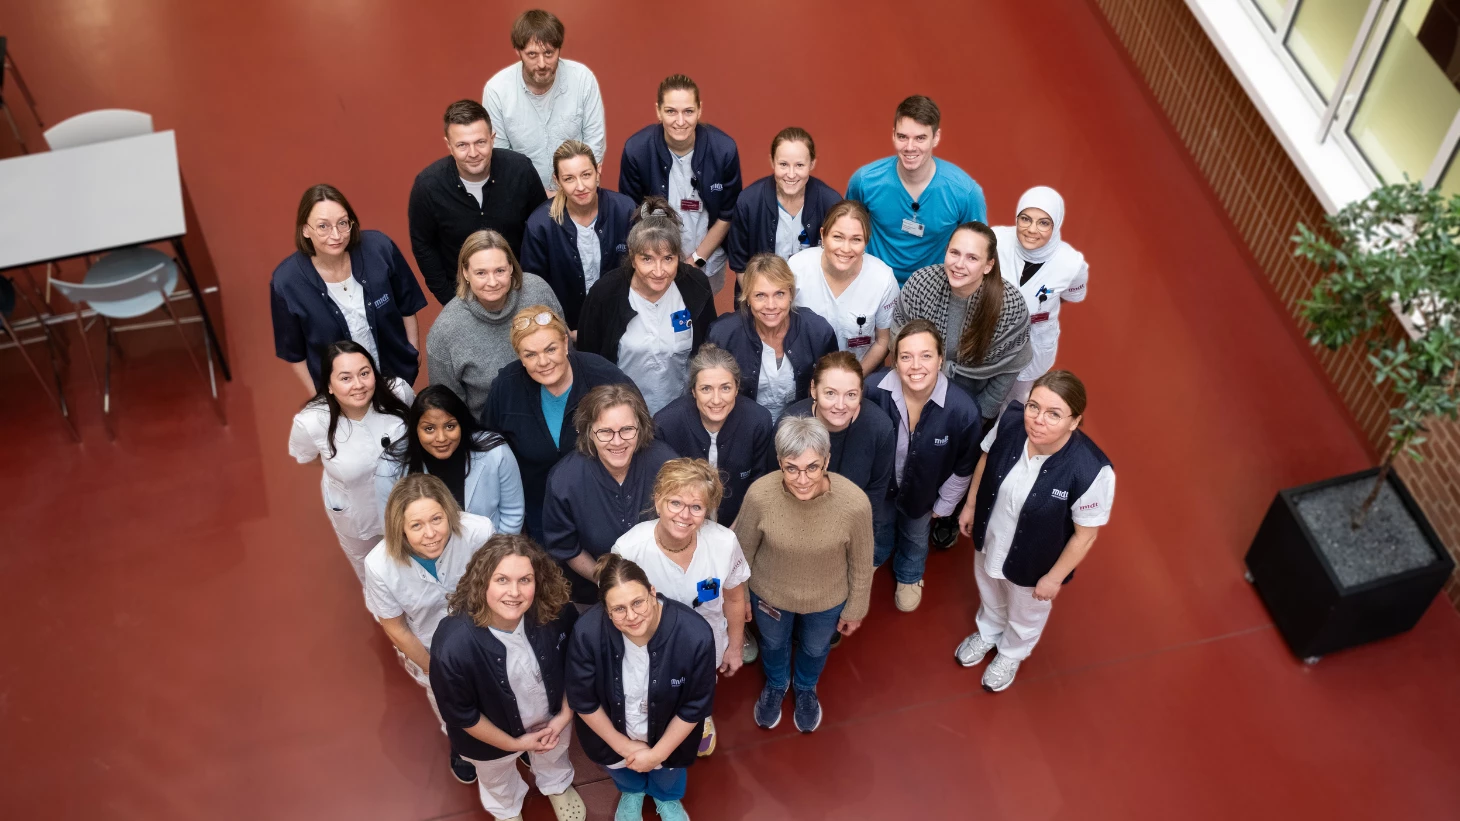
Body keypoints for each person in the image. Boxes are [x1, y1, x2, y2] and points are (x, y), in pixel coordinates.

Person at [955, 371, 1114, 693]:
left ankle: (1012, 652)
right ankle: (988, 630)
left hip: (1036, 561)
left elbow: (1085, 535)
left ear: (1074, 421)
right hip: (992, 535)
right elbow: (986, 459)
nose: (1038, 420)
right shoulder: (1011, 422)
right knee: (989, 586)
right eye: (1034, 407)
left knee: (1025, 611)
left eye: (1054, 414)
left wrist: (1053, 578)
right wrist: (970, 505)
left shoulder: (1091, 470)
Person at [430, 533, 587, 821]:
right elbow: (463, 715)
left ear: (538, 581)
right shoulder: (453, 644)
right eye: (502, 579)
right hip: (490, 738)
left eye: (525, 580)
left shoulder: (557, 613)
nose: (514, 592)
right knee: (496, 776)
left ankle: (557, 784)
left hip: (553, 719)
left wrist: (564, 715)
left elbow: (576, 667)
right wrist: (515, 745)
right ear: (482, 582)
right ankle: (506, 808)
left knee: (555, 754)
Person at [734, 416, 873, 733]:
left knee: (815, 648)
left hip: (827, 600)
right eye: (791, 468)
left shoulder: (854, 504)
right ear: (779, 462)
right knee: (773, 644)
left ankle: (806, 687)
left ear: (827, 460)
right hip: (769, 595)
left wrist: (856, 608)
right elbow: (741, 554)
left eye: (812, 467)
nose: (802, 479)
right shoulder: (759, 495)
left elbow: (862, 562)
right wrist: (740, 596)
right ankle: (777, 683)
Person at [611, 458, 750, 757]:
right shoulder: (629, 549)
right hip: (648, 644)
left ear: (707, 510)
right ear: (658, 501)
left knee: (701, 685)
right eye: (675, 503)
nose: (684, 515)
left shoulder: (724, 543)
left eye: (696, 507)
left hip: (708, 641)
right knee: (655, 691)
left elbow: (734, 598)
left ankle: (700, 715)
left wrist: (735, 646)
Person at [365, 474, 496, 786]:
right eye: (416, 525)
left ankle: (511, 736)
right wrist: (437, 672)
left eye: (437, 519)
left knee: (500, 692)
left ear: (449, 512)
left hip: (488, 634)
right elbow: (396, 628)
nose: (430, 534)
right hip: (429, 650)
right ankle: (462, 747)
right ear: (400, 528)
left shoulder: (479, 531)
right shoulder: (379, 565)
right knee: (452, 707)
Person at [567, 554, 714, 821]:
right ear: (606, 610)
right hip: (613, 736)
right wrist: (624, 747)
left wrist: (658, 754)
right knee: (622, 771)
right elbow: (584, 700)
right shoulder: (587, 633)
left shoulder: (695, 634)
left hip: (669, 739)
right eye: (619, 609)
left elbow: (695, 706)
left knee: (668, 774)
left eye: (638, 602)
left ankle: (666, 798)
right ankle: (632, 792)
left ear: (652, 592)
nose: (632, 616)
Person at [483, 308, 636, 544]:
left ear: (565, 343)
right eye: (530, 355)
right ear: (520, 357)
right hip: (539, 511)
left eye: (550, 349)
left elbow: (640, 435)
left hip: (604, 506)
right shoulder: (506, 388)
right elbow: (489, 451)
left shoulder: (603, 377)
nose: (543, 362)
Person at [863, 320, 981, 613]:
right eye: (906, 356)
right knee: (880, 524)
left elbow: (964, 465)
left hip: (924, 493)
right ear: (894, 361)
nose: (916, 366)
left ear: (941, 359)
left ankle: (910, 573)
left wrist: (946, 503)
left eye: (926, 355)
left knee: (916, 535)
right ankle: (878, 554)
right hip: (881, 487)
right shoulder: (871, 391)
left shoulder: (963, 410)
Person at [271, 184, 426, 394]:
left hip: (394, 381)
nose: (336, 235)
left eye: (343, 223)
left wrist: (413, 353)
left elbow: (407, 305)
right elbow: (295, 354)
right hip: (341, 396)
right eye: (323, 226)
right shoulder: (286, 282)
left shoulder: (380, 249)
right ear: (305, 229)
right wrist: (320, 397)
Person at [289, 341, 413, 587]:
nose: (358, 385)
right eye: (345, 378)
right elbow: (308, 457)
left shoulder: (398, 392)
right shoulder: (311, 422)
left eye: (364, 373)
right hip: (357, 512)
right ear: (329, 385)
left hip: (406, 502)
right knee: (373, 574)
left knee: (415, 562)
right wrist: (344, 468)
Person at [576, 203, 716, 415]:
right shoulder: (605, 294)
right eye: (647, 259)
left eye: (668, 259)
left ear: (678, 257)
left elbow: (708, 350)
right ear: (632, 258)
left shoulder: (695, 286)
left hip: (682, 412)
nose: (658, 271)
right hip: (622, 414)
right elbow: (588, 362)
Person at [543, 385, 677, 603]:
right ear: (589, 432)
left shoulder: (666, 464)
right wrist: (612, 584)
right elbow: (567, 548)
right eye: (605, 432)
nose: (617, 441)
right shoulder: (565, 480)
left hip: (667, 586)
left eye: (627, 429)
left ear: (640, 428)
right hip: (596, 591)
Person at [409, 100, 547, 304]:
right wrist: (451, 300)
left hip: (522, 292)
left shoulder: (521, 170)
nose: (473, 153)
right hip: (463, 299)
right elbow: (423, 247)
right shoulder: (428, 187)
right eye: (462, 145)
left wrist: (534, 287)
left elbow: (542, 230)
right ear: (449, 145)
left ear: (492, 138)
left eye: (480, 142)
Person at [893, 221, 1031, 422]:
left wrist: (980, 416)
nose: (959, 264)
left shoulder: (1010, 305)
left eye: (972, 258)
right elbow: (897, 340)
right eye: (954, 253)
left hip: (974, 403)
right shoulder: (920, 284)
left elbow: (1010, 367)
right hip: (914, 394)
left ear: (988, 265)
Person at [619, 74, 742, 294]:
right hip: (655, 261)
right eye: (671, 111)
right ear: (658, 111)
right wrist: (660, 261)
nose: (680, 121)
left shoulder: (724, 150)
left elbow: (727, 214)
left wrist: (696, 260)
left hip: (706, 257)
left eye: (688, 111)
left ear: (699, 110)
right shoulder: (637, 150)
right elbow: (632, 213)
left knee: (701, 310)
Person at [845, 95, 986, 284]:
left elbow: (979, 248)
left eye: (920, 138)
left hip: (935, 288)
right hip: (873, 283)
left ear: (936, 138)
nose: (910, 147)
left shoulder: (965, 192)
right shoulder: (865, 181)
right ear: (893, 135)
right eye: (902, 137)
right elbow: (847, 230)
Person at [427, 230, 563, 423]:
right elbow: (448, 408)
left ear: (511, 267)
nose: (492, 282)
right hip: (494, 428)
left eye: (499, 271)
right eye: (481, 273)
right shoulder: (445, 331)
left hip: (557, 409)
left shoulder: (538, 291)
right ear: (465, 273)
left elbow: (565, 350)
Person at [781, 351, 896, 575]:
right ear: (813, 389)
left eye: (851, 394)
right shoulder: (789, 424)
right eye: (830, 393)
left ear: (861, 392)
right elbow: (778, 486)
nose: (840, 405)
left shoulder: (880, 428)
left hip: (851, 523)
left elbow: (875, 492)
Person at [482, 9, 607, 193]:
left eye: (549, 53)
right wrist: (539, 197)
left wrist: (571, 192)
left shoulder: (582, 79)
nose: (542, 64)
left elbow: (594, 142)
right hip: (524, 197)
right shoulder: (497, 90)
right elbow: (501, 157)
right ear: (518, 51)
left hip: (578, 194)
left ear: (559, 49)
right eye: (532, 54)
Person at [377, 385, 525, 535]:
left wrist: (496, 550)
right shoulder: (390, 466)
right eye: (429, 429)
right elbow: (393, 529)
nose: (441, 438)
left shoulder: (496, 452)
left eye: (450, 426)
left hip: (490, 547)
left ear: (461, 424)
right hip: (425, 549)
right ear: (415, 430)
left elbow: (513, 513)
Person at [519, 141, 635, 331]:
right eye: (569, 179)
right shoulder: (540, 225)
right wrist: (561, 330)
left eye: (586, 175)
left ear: (598, 171)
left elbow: (640, 271)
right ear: (557, 181)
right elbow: (533, 289)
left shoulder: (625, 210)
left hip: (621, 324)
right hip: (564, 329)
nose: (580, 186)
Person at [707, 254, 837, 423]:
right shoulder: (723, 335)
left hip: (801, 425)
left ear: (791, 294)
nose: (771, 305)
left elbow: (832, 386)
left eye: (779, 294)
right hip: (742, 425)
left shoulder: (817, 331)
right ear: (747, 298)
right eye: (760, 295)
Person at [653, 344, 774, 525]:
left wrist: (735, 529)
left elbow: (759, 485)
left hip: (739, 523)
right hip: (681, 523)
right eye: (706, 389)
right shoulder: (666, 424)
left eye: (725, 388)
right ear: (693, 391)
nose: (716, 400)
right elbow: (661, 488)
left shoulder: (757, 421)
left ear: (737, 388)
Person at [993, 186, 1089, 403]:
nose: (1031, 230)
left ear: (1056, 224)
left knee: (1015, 400)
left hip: (1034, 341)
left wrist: (1036, 307)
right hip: (990, 335)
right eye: (1025, 219)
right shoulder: (996, 240)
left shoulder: (1071, 264)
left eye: (1043, 223)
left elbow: (1071, 296)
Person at [788, 200, 899, 374]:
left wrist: (853, 379)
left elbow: (883, 340)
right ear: (823, 235)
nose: (845, 249)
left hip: (860, 376)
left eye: (856, 239)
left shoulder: (883, 279)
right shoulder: (796, 268)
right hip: (802, 375)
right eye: (837, 237)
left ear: (866, 242)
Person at [724, 127, 843, 275]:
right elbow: (740, 267)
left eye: (799, 165)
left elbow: (838, 259)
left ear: (812, 164)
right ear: (772, 162)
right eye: (783, 164)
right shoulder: (748, 202)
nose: (791, 174)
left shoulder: (831, 203)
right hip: (759, 288)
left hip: (814, 289)